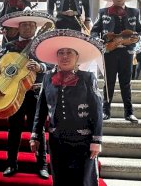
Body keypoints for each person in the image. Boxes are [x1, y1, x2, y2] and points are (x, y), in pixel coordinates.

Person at [30, 29, 105, 186]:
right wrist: (35, 135)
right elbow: (41, 108)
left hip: (82, 141)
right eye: (61, 53)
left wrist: (96, 140)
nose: (65, 56)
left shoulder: (87, 78)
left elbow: (97, 111)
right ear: (56, 57)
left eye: (69, 52)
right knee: (60, 179)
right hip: (57, 140)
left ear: (77, 56)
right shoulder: (48, 78)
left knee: (83, 181)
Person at [0, 11, 55, 178]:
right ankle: (11, 164)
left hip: (36, 92)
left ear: (36, 28)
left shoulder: (42, 45)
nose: (27, 27)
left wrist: (40, 67)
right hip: (15, 94)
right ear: (18, 27)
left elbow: (52, 64)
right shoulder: (9, 46)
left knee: (39, 129)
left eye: (31, 25)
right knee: (14, 129)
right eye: (24, 25)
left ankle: (42, 165)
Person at [91, 0, 141, 123]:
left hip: (127, 53)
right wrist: (98, 40)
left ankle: (129, 113)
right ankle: (105, 111)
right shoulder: (103, 12)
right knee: (108, 83)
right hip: (109, 52)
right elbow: (95, 30)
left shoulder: (134, 12)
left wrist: (137, 37)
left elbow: (140, 31)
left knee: (126, 83)